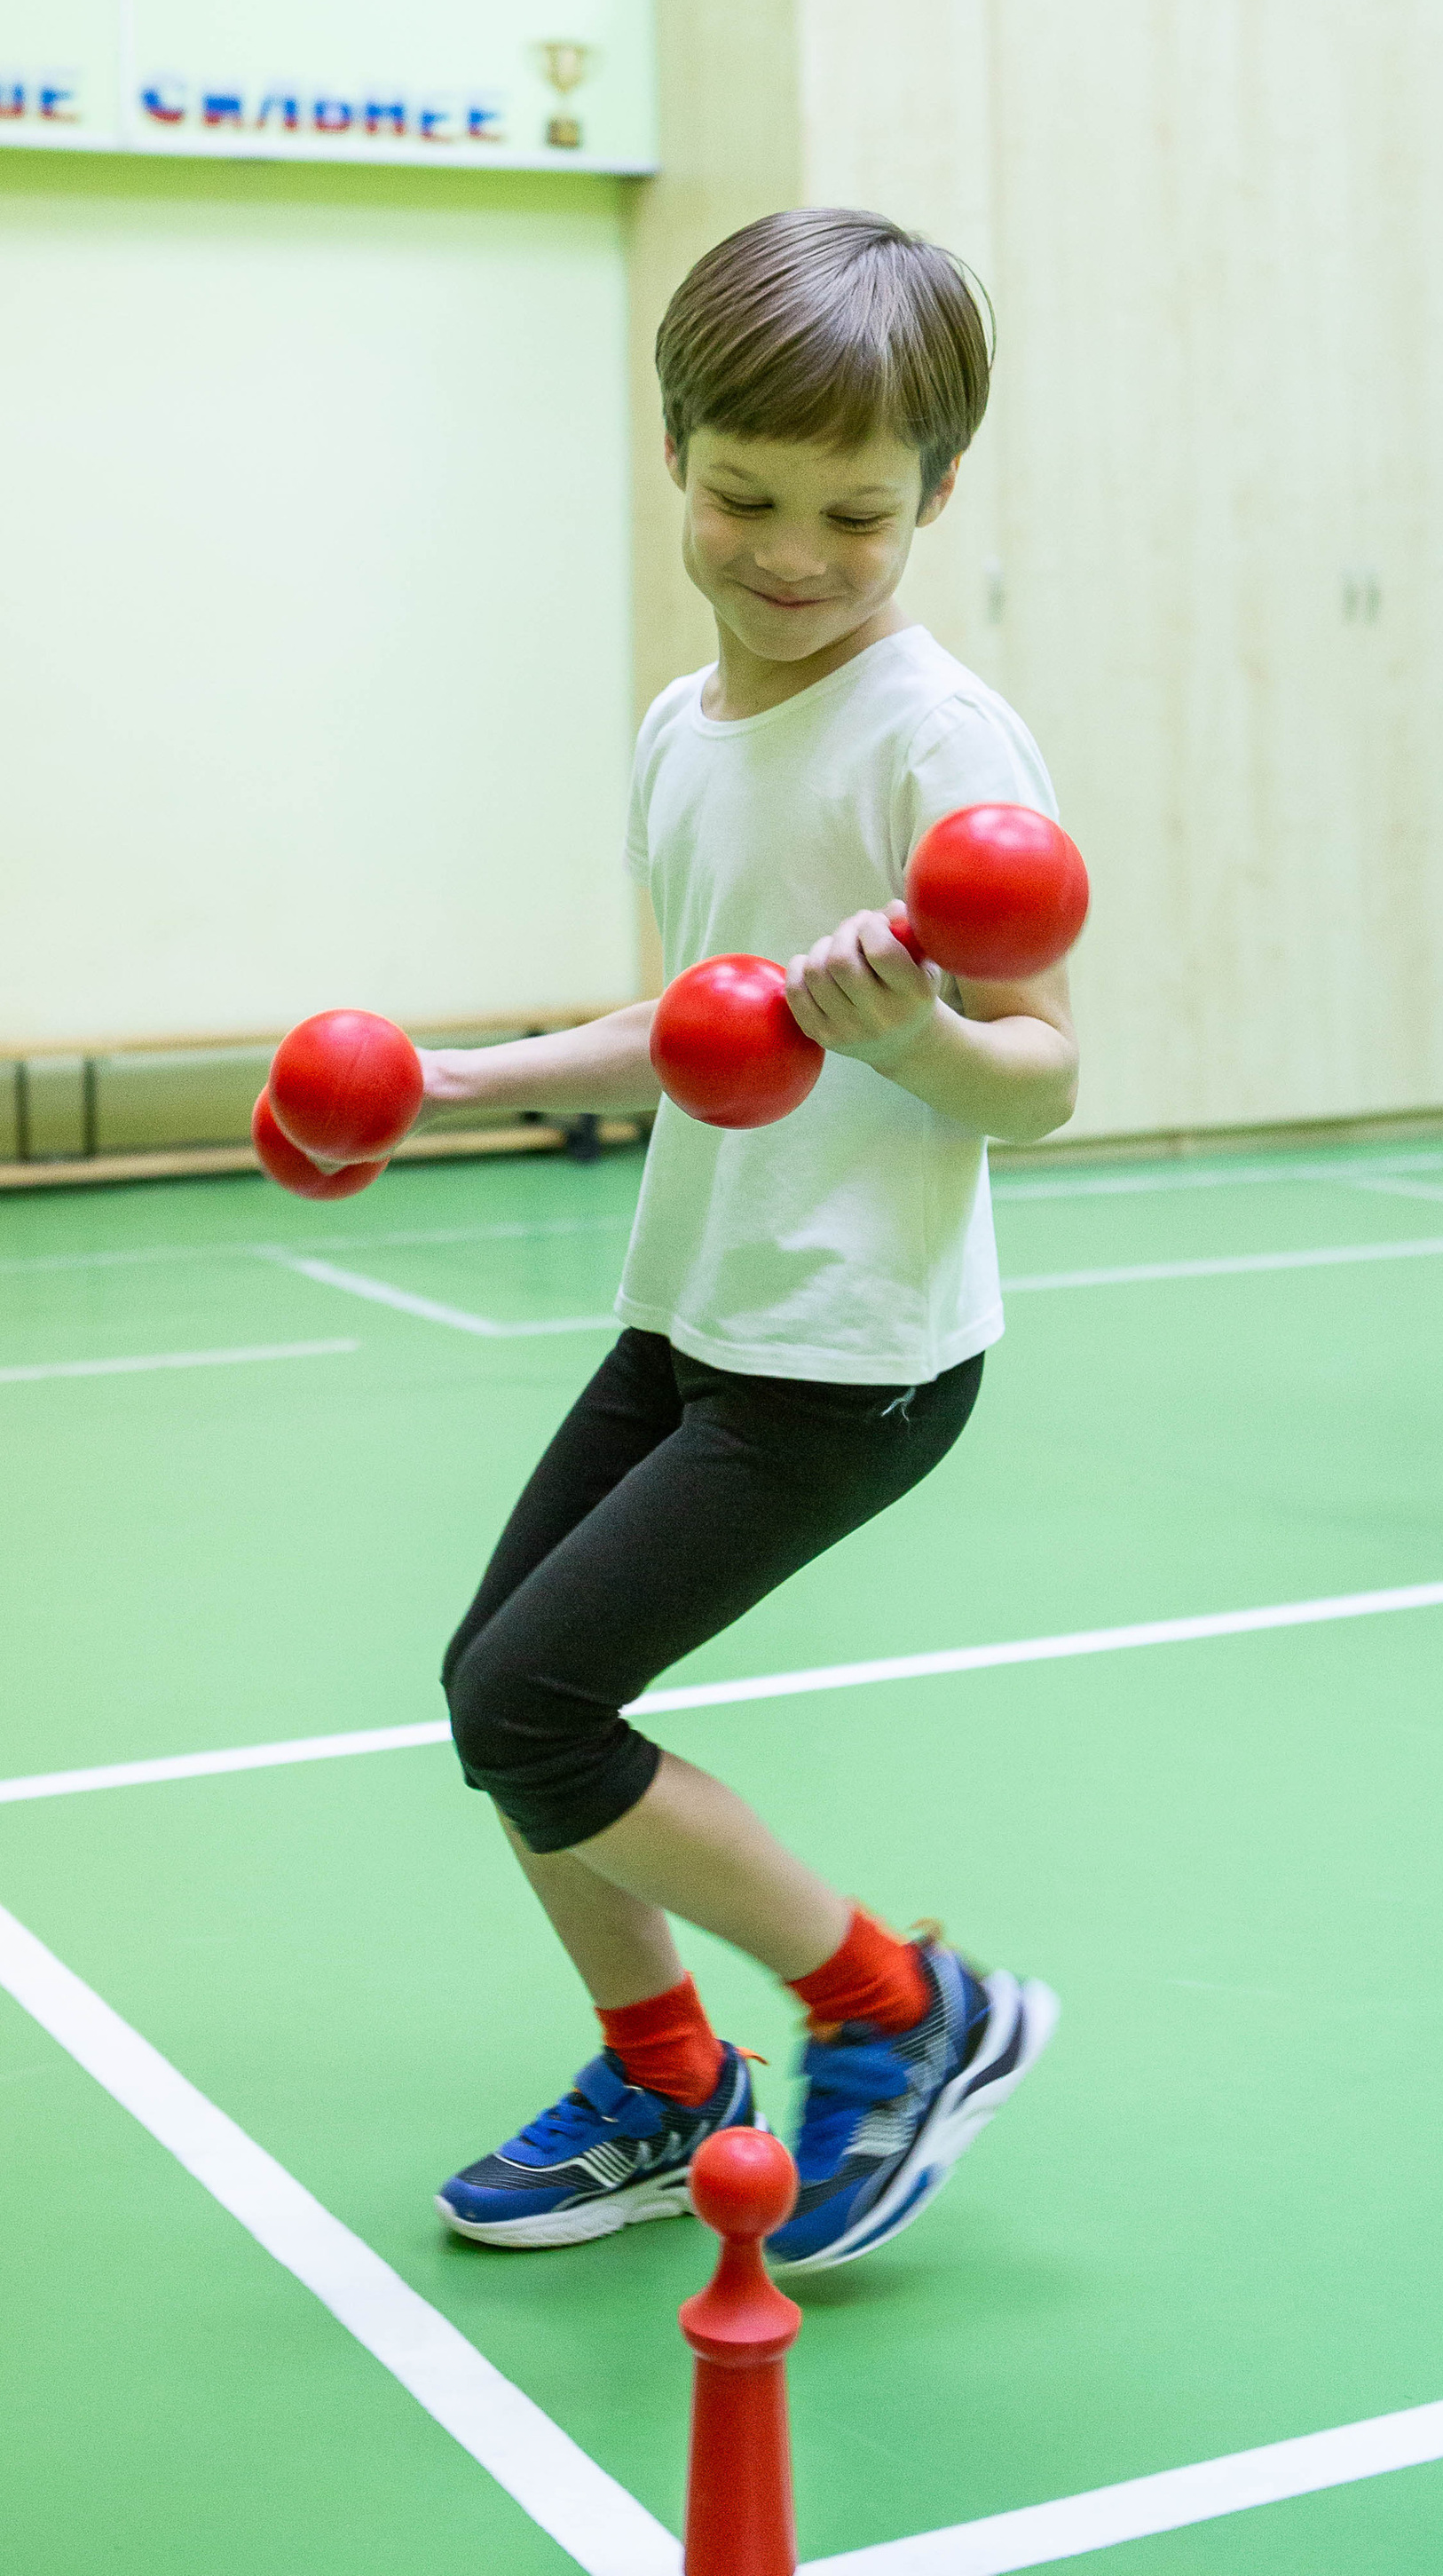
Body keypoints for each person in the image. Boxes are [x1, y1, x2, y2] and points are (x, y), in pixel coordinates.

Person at [406, 208, 1071, 2272]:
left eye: (853, 516)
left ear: (936, 496)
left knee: (533, 1707)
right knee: (499, 1696)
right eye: (740, 496)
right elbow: (702, 1004)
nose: (789, 553)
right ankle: (668, 2083)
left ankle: (903, 2009)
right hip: (698, 1301)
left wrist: (930, 1039)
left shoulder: (935, 742)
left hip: (847, 1351)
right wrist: (457, 1082)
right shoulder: (683, 727)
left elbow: (1043, 1074)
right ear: (672, 452)